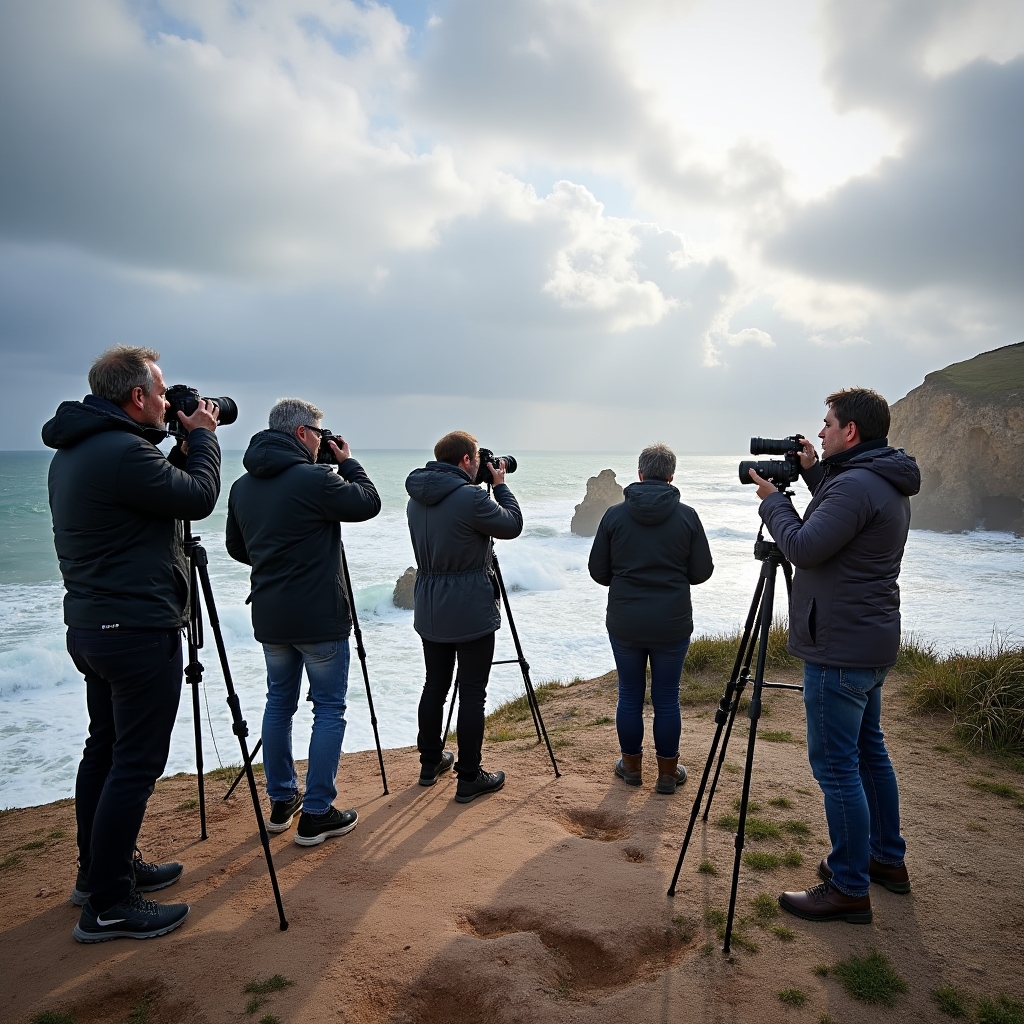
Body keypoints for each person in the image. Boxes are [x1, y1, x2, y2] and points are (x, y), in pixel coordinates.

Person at [43, 345, 221, 943]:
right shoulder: (121, 451)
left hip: (94, 627)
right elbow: (196, 496)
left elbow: (151, 496)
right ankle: (111, 904)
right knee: (134, 764)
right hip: (136, 630)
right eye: (162, 393)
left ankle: (98, 873)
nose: (170, 402)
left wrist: (176, 439)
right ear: (137, 397)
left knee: (105, 750)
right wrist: (203, 437)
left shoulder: (79, 449)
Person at [748, 388, 921, 924]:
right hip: (869, 639)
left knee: (838, 768)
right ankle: (885, 860)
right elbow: (846, 514)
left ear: (850, 432)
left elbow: (802, 546)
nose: (819, 433)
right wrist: (812, 474)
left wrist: (773, 502)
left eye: (827, 425)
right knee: (870, 752)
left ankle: (848, 887)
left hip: (839, 647)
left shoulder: (854, 487)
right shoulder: (878, 480)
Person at [226, 399, 380, 846]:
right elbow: (368, 503)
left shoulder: (241, 486)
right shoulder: (315, 479)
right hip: (318, 617)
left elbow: (239, 548)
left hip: (270, 616)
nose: (323, 440)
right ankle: (316, 812)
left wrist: (277, 553)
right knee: (328, 708)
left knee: (279, 705)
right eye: (319, 432)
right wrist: (348, 463)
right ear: (300, 434)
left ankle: (281, 801)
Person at [588, 443, 714, 794]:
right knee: (666, 697)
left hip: (626, 621)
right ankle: (666, 774)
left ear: (640, 474)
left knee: (629, 694)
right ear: (671, 475)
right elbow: (702, 571)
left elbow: (598, 571)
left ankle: (630, 768)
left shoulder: (614, 516)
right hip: (671, 622)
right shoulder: (687, 516)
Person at [406, 431, 523, 803]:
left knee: (434, 686)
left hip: (429, 605)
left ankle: (430, 762)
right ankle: (469, 776)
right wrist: (500, 486)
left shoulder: (416, 498)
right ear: (467, 462)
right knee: (472, 693)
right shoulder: (472, 498)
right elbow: (512, 525)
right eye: (477, 461)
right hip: (470, 607)